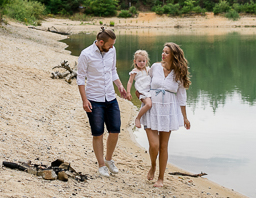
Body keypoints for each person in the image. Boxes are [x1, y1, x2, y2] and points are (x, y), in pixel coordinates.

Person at [76, 27, 130, 178]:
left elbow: (113, 70)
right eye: (110, 45)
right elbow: (80, 78)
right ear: (101, 42)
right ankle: (101, 165)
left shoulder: (112, 51)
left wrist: (119, 85)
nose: (112, 47)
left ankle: (108, 159)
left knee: (115, 130)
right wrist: (84, 100)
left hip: (111, 98)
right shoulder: (86, 54)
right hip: (94, 99)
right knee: (98, 133)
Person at [140, 42, 191, 187]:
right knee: (154, 145)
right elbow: (144, 83)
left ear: (174, 55)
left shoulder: (178, 73)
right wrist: (139, 94)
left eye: (167, 52)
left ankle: (161, 178)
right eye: (163, 51)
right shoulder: (155, 68)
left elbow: (181, 97)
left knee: (163, 146)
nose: (163, 54)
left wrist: (185, 117)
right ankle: (153, 165)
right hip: (151, 109)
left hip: (168, 112)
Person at [126, 50, 152, 128]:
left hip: (150, 91)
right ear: (135, 61)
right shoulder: (134, 71)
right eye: (139, 61)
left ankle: (149, 121)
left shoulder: (148, 69)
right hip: (142, 92)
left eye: (143, 61)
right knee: (148, 104)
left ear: (146, 61)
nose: (141, 63)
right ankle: (138, 118)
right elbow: (130, 82)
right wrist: (128, 92)